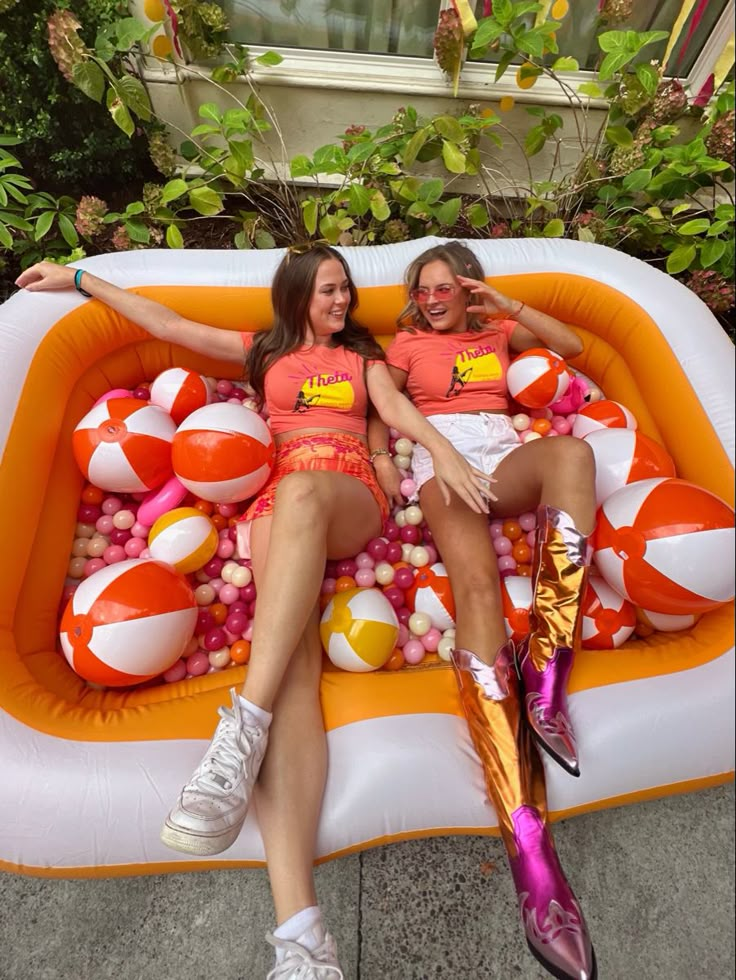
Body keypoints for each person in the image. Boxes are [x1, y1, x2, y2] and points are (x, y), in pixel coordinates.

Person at [16, 247, 489, 980]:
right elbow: (165, 321)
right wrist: (80, 279)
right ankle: (302, 940)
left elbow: (395, 408)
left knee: (300, 496)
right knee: (293, 664)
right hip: (277, 507)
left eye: (347, 289)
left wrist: (436, 451)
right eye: (332, 289)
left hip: (343, 494)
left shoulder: (360, 356)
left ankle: (241, 728)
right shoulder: (261, 353)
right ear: (299, 293)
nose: (344, 300)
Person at [368, 241, 597, 980]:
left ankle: (548, 681)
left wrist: (505, 307)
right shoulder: (406, 343)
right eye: (424, 287)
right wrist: (386, 463)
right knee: (476, 591)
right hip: (443, 465)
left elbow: (572, 346)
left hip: (503, 458)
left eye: (446, 286)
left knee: (571, 458)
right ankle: (531, 858)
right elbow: (384, 406)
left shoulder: (496, 330)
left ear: (467, 287)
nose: (433, 297)